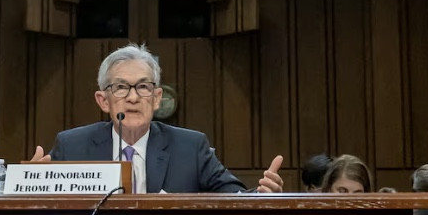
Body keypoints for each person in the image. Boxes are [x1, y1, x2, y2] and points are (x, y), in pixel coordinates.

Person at [31, 44, 284, 193]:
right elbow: (45, 209)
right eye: (121, 88)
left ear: (156, 97)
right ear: (103, 100)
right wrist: (30, 185)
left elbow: (233, 200)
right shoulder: (72, 146)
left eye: (143, 87)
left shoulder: (190, 147)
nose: (132, 98)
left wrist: (262, 196)